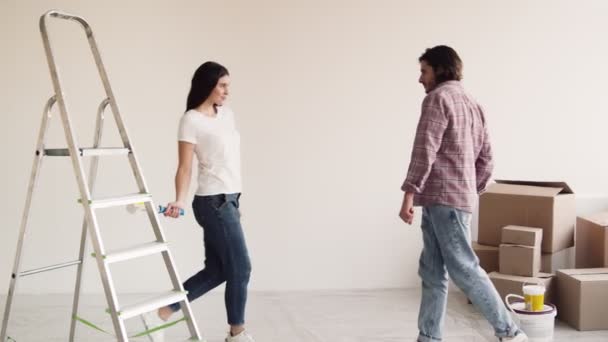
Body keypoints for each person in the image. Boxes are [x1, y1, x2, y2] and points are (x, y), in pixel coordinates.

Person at [399, 45, 527, 342]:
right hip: (449, 200)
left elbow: (424, 150)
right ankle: (428, 337)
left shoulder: (437, 99)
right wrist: (471, 189)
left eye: (424, 71)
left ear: (440, 70)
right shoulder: (472, 102)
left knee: (464, 269)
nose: (420, 79)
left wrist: (408, 194)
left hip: (443, 200)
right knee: (432, 271)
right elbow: (488, 157)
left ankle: (511, 333)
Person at [145, 61, 254, 342]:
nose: (227, 91)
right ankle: (237, 333)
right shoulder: (191, 120)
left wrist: (235, 199)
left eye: (228, 85)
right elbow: (184, 167)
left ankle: (161, 311)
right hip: (212, 202)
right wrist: (179, 200)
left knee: (218, 270)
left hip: (229, 200)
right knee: (241, 267)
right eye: (222, 85)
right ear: (207, 85)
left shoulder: (227, 115)